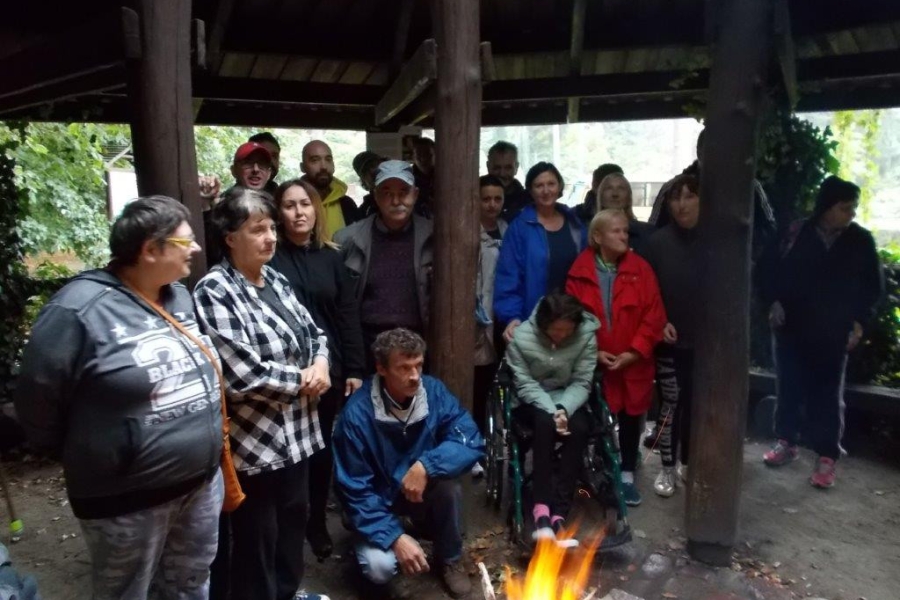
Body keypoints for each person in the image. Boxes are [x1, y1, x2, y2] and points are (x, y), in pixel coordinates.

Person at [15, 196, 223, 600]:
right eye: (186, 241)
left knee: (190, 585)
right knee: (126, 592)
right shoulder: (78, 310)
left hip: (198, 484)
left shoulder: (178, 296)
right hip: (128, 498)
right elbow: (37, 403)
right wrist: (102, 448)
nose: (197, 248)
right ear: (150, 249)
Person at [193, 188, 330, 600]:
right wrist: (304, 380)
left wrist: (322, 364)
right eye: (258, 229)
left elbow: (315, 332)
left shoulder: (276, 278)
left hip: (299, 436)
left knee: (293, 528)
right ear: (230, 237)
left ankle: (288, 594)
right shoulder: (214, 290)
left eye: (272, 228)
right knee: (257, 540)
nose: (270, 237)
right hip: (255, 445)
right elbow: (242, 375)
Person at [332, 328, 484, 599]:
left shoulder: (433, 392)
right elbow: (355, 490)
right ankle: (372, 533)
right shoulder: (356, 416)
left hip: (417, 490)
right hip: (376, 500)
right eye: (404, 368)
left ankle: (448, 557)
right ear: (381, 368)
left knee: (449, 486)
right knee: (380, 569)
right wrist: (394, 538)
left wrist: (426, 465)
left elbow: (469, 438)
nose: (414, 376)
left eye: (418, 366)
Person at [758, 176, 883, 488]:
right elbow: (765, 269)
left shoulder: (860, 241)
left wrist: (859, 322)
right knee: (789, 387)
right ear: (827, 207)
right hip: (791, 329)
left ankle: (827, 455)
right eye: (844, 207)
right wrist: (772, 302)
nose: (850, 213)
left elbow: (873, 287)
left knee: (828, 396)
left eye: (853, 208)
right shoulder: (794, 234)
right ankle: (786, 441)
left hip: (833, 333)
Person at [268, 178, 366, 559]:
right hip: (282, 373)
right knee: (285, 449)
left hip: (328, 369)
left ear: (316, 210)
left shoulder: (332, 257)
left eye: (305, 204)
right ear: (279, 212)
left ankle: (316, 523)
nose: (298, 212)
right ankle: (284, 522)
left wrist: (354, 367)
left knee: (321, 447)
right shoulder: (269, 257)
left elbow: (346, 316)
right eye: (290, 205)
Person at [566, 209, 667, 506]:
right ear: (597, 237)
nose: (625, 236)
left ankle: (626, 473)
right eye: (617, 231)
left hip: (633, 360)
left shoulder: (641, 269)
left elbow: (654, 314)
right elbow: (573, 317)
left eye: (625, 231)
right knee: (597, 417)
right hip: (596, 360)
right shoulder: (580, 270)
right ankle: (599, 469)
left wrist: (634, 352)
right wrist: (592, 351)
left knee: (633, 415)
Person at [505, 293, 599, 543]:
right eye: (556, 330)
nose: (561, 335)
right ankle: (541, 510)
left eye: (568, 330)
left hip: (569, 396)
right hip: (532, 397)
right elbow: (524, 383)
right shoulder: (521, 338)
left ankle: (559, 512)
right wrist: (551, 410)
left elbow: (582, 380)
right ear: (544, 324)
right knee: (544, 425)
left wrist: (564, 409)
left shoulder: (586, 336)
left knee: (580, 428)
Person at [333, 160, 433, 371]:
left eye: (403, 192)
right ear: (375, 196)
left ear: (415, 194)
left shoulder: (434, 236)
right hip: (368, 345)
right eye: (387, 192)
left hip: (419, 344)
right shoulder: (347, 240)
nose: (396, 200)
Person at [641, 174, 702, 498]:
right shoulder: (657, 242)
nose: (682, 204)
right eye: (676, 198)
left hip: (704, 340)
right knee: (670, 403)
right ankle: (666, 465)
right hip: (667, 338)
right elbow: (646, 292)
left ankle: (688, 465)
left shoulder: (716, 241)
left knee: (696, 402)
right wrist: (659, 321)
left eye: (690, 196)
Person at [493, 161, 587, 344]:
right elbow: (508, 278)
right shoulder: (520, 228)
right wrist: (512, 317)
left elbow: (587, 274)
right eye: (539, 185)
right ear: (530, 190)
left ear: (560, 186)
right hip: (532, 322)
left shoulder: (575, 225)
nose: (546, 190)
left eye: (551, 184)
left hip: (572, 322)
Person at [649, 128, 776, 261]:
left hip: (736, 268)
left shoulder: (748, 186)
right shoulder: (674, 188)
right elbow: (652, 232)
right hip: (683, 267)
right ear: (699, 152)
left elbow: (769, 229)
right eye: (713, 150)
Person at [472, 175, 508, 475]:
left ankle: (493, 444)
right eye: (486, 199)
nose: (492, 204)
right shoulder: (467, 232)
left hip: (503, 319)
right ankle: (474, 448)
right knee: (476, 386)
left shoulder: (509, 231)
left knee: (497, 386)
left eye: (497, 199)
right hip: (476, 321)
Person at [301, 139, 359, 235]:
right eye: (315, 160)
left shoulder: (347, 204)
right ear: (302, 167)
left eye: (328, 159)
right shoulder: (294, 204)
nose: (323, 166)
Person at [592, 173, 656, 254]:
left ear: (629, 197)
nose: (615, 194)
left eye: (621, 188)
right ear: (600, 196)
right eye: (609, 188)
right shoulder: (586, 232)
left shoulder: (648, 233)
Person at [486, 140, 532, 221]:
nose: (502, 174)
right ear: (488, 166)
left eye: (508, 168)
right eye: (497, 168)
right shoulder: (474, 196)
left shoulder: (527, 200)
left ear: (516, 167)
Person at [352, 151, 387, 220]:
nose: (372, 171)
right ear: (363, 181)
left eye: (374, 165)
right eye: (366, 170)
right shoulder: (364, 212)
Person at [412, 137, 435, 218]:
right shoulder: (406, 180)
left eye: (427, 154)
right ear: (413, 157)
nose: (423, 158)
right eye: (418, 154)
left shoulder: (446, 176)